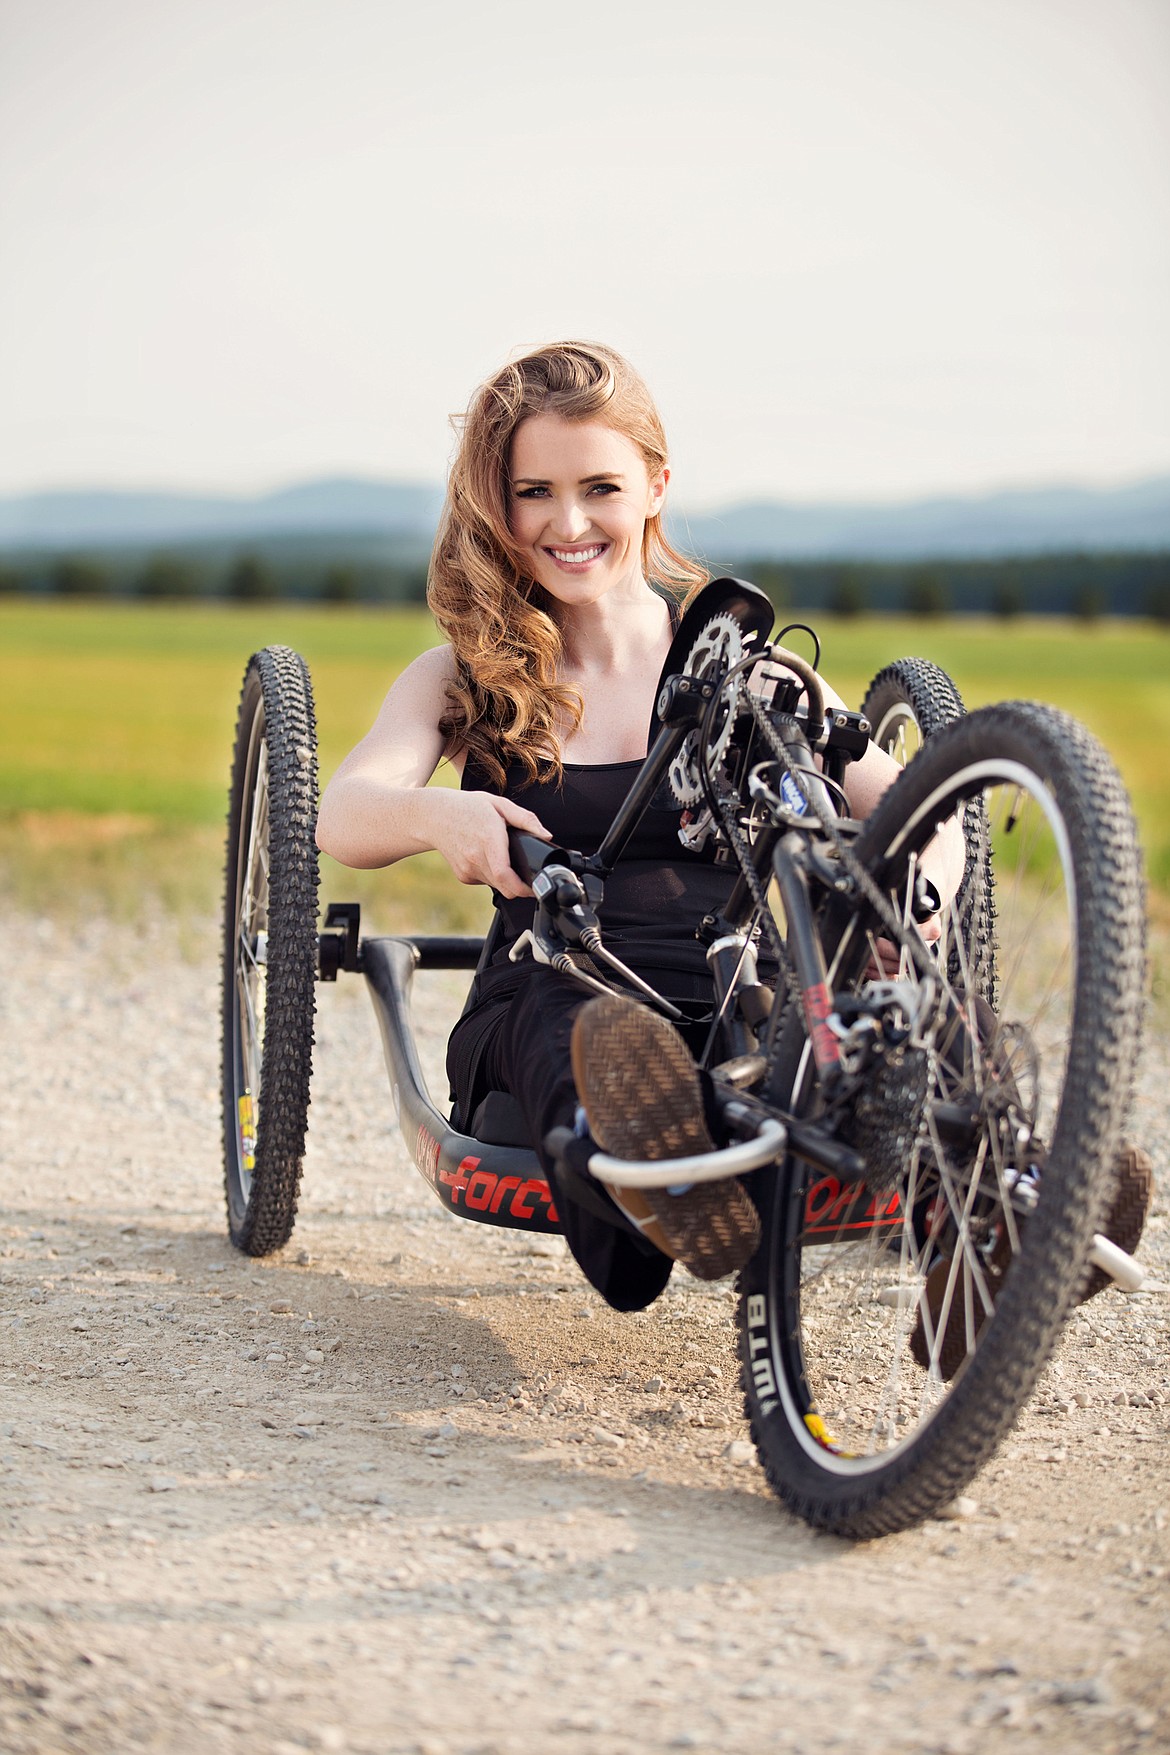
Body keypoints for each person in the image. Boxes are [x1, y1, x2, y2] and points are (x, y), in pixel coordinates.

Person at [315, 340, 1145, 1311]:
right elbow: (347, 817)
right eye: (534, 490)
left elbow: (929, 809)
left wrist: (913, 907)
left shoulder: (751, 672)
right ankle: (650, 1188)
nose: (568, 521)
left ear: (657, 486)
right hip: (557, 984)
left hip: (741, 1004)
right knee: (589, 1036)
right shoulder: (466, 677)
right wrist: (436, 812)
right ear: (497, 504)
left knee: (897, 1026)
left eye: (601, 488)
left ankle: (998, 1233)